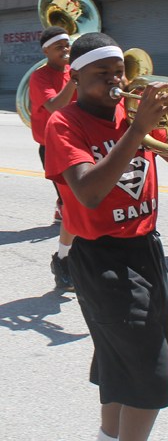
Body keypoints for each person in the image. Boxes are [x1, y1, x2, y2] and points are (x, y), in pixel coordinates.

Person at [44, 32, 168, 441]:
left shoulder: (131, 114)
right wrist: (137, 131)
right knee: (152, 376)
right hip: (100, 258)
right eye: (103, 74)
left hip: (146, 249)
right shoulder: (63, 123)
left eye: (120, 72)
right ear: (75, 77)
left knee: (122, 366)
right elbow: (90, 192)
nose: (116, 81)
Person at [29, 26, 78, 291]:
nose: (66, 49)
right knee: (75, 206)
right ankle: (63, 260)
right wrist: (76, 80)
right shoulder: (40, 77)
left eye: (67, 44)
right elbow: (55, 107)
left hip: (81, 143)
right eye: (59, 46)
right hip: (54, 147)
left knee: (86, 203)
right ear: (46, 50)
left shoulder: (75, 73)